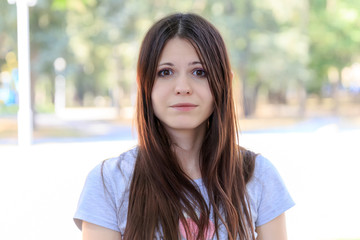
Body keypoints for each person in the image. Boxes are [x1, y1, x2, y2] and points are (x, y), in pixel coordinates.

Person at [74, 13, 295, 240]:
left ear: (224, 83)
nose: (182, 87)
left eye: (199, 72)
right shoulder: (109, 181)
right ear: (144, 84)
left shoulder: (257, 175)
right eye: (165, 72)